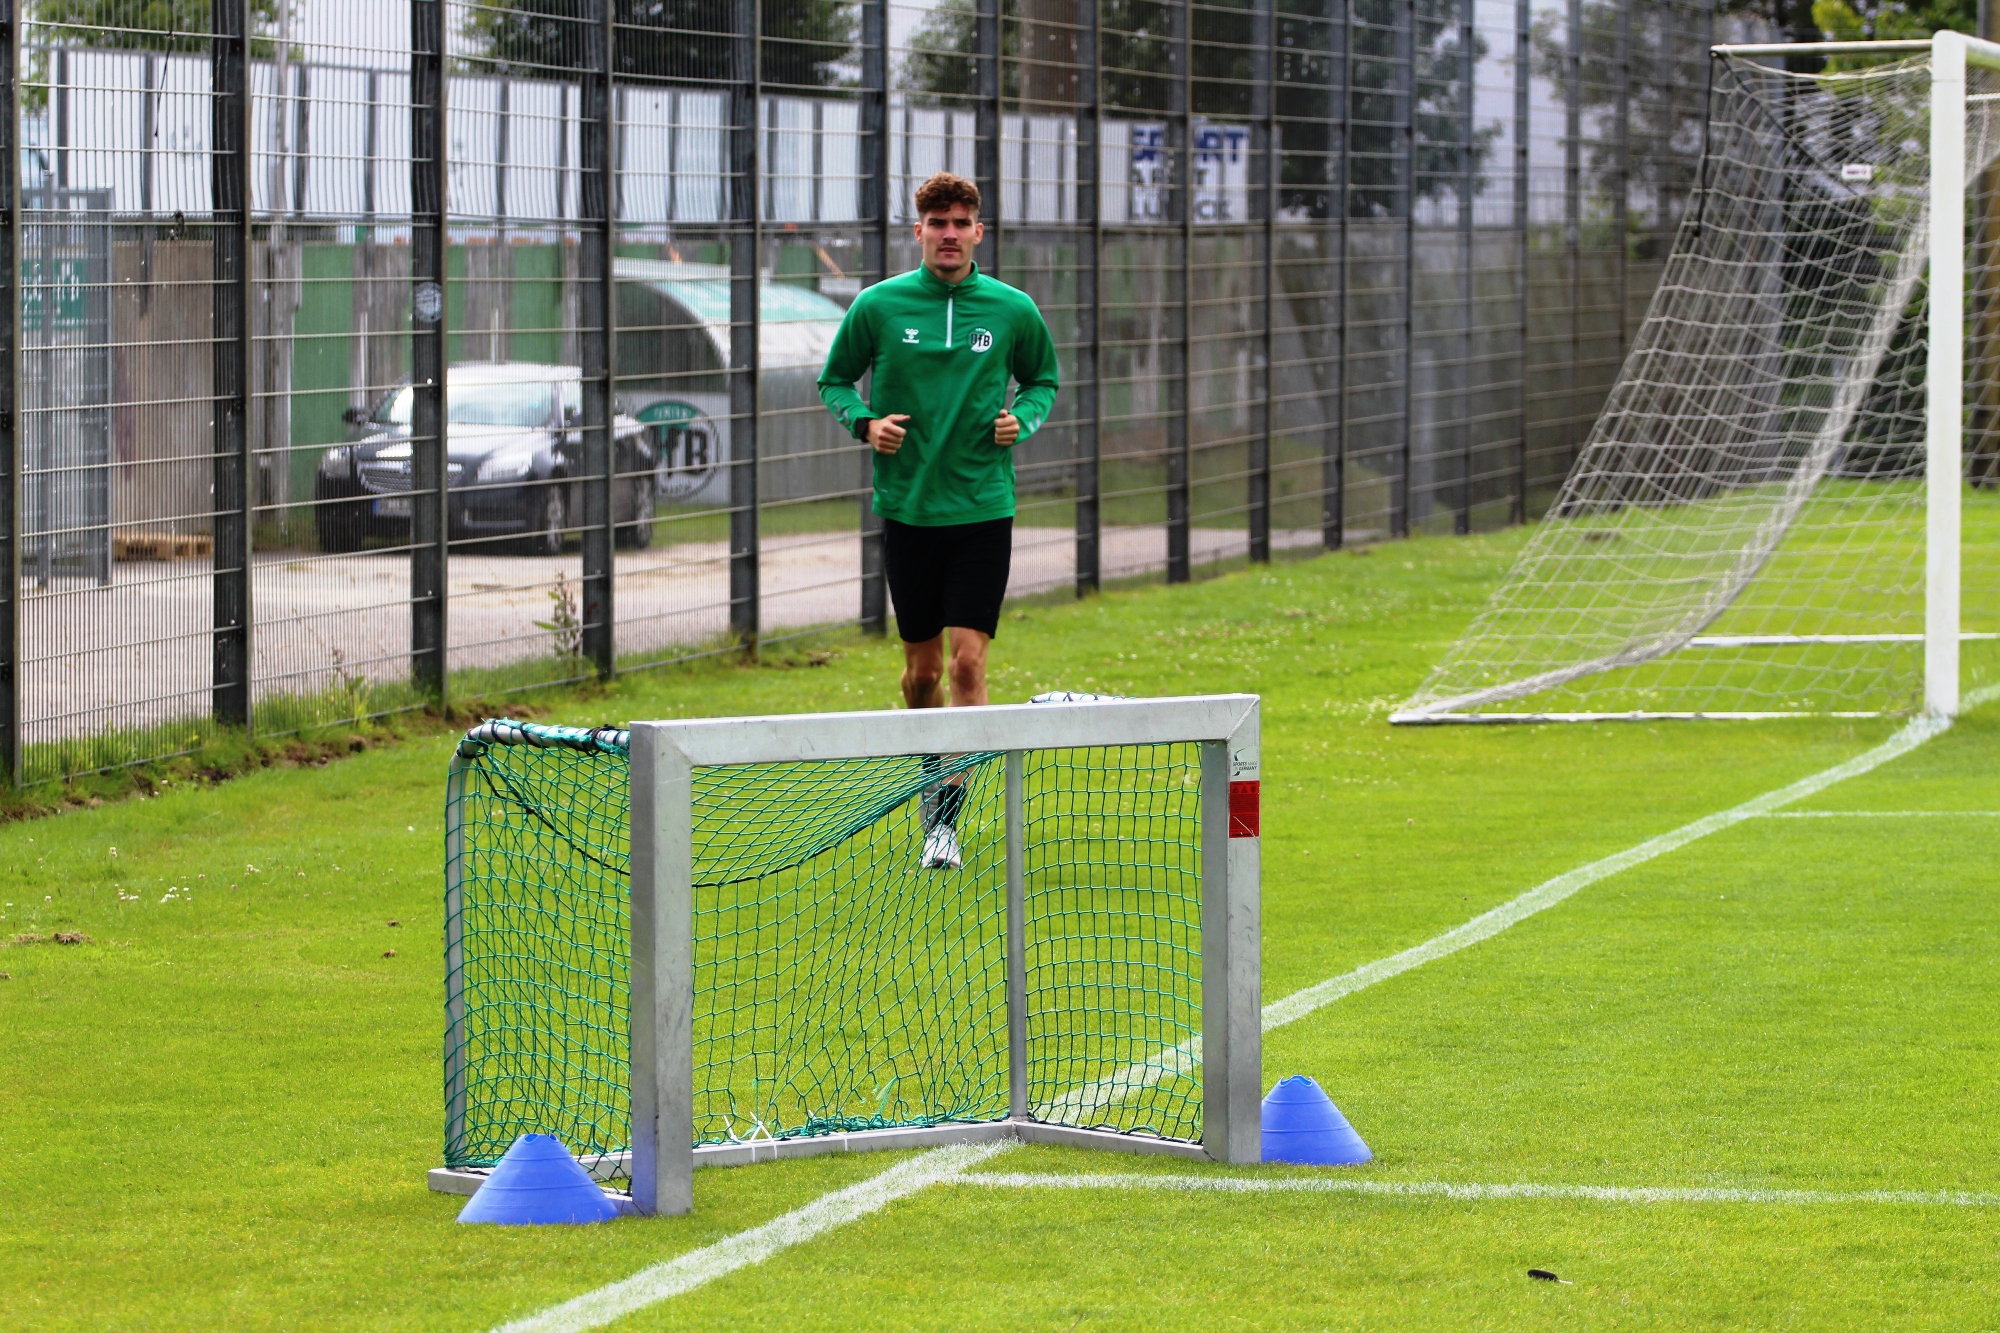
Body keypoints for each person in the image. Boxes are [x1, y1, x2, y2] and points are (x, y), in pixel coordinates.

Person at [817, 171, 1060, 868]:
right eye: (937, 222)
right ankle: (931, 777)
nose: (949, 234)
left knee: (967, 662)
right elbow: (834, 379)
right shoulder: (879, 306)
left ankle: (943, 824)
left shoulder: (1011, 310)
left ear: (979, 232)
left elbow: (1043, 378)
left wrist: (1025, 419)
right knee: (920, 673)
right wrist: (866, 425)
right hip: (909, 512)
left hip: (984, 508)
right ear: (918, 231)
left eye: (961, 222)